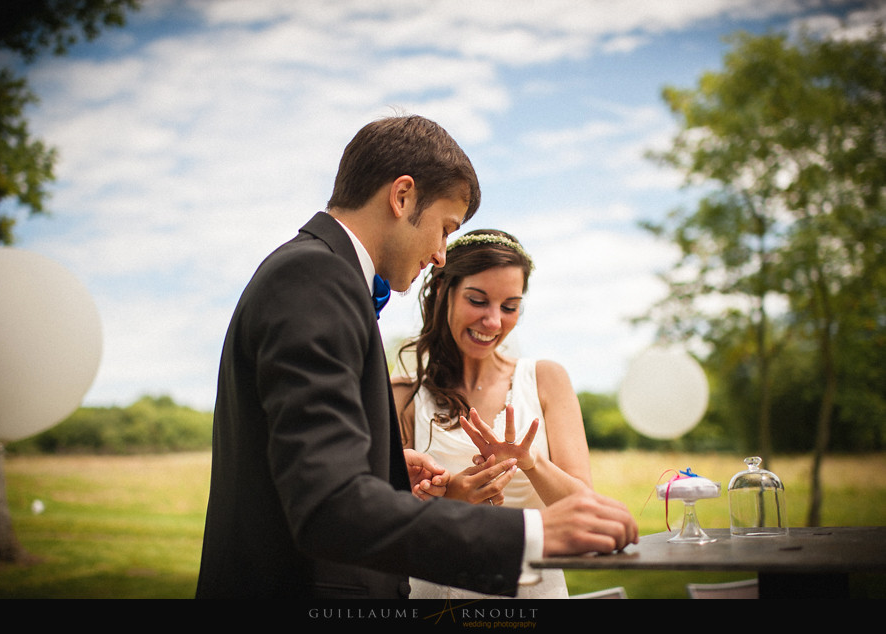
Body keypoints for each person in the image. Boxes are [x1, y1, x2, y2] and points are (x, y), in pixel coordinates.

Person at [195, 114, 638, 599]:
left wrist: (384, 471)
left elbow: (304, 470)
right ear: (402, 196)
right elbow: (329, 506)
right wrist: (533, 535)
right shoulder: (317, 278)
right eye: (445, 227)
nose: (441, 254)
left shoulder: (314, 272)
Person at [392, 229, 598, 599]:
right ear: (442, 290)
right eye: (478, 300)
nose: (493, 322)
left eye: (509, 306)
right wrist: (449, 499)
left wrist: (532, 462)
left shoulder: (546, 380)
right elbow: (384, 525)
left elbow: (585, 508)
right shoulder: (402, 395)